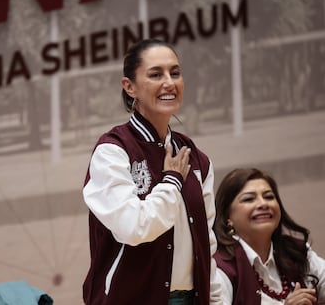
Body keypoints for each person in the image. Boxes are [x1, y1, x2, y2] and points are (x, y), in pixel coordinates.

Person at [82, 38, 222, 305]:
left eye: (175, 73)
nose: (169, 82)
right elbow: (133, 228)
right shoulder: (113, 151)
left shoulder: (195, 158)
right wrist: (171, 182)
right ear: (129, 86)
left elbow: (207, 245)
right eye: (156, 74)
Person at [213, 168, 325, 304]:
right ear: (227, 217)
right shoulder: (220, 268)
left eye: (269, 197)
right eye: (249, 199)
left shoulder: (295, 251)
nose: (263, 204)